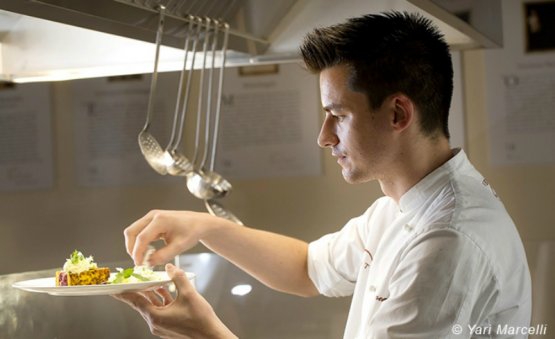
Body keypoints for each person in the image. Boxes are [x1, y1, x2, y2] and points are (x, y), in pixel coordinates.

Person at [115, 11, 532, 338]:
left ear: (398, 113)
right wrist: (204, 226)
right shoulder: (401, 207)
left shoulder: (448, 241)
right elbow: (307, 268)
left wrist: (205, 333)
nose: (323, 136)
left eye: (338, 115)